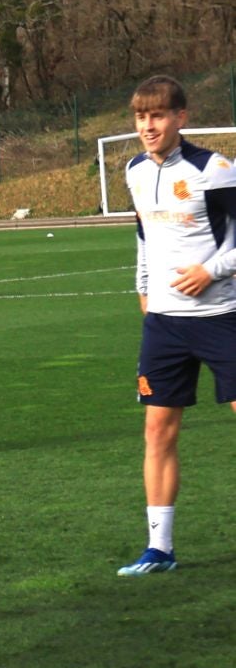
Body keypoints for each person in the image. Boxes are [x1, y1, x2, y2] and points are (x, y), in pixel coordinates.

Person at [117, 75, 236, 576]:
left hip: (222, 317)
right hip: (164, 324)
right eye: (142, 117)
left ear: (181, 118)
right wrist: (144, 287)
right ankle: (160, 548)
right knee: (158, 430)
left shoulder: (215, 169)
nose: (148, 126)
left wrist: (211, 270)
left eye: (158, 115)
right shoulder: (135, 171)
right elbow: (145, 234)